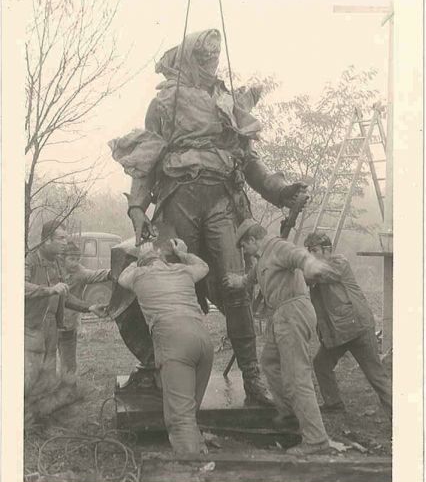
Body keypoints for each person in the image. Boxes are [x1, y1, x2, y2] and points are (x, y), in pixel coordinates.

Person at [109, 28, 308, 406]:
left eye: (215, 57)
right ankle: (167, 371)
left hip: (220, 203)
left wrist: (280, 190)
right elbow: (147, 158)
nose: (211, 63)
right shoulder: (165, 103)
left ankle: (252, 378)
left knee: (236, 289)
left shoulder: (226, 102)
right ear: (187, 58)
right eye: (203, 57)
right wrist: (137, 208)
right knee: (174, 288)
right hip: (178, 200)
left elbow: (248, 159)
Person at [224, 219, 340, 456]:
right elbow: (249, 279)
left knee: (296, 376)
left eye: (244, 247)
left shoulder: (278, 247)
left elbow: (300, 256)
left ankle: (316, 440)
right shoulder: (262, 258)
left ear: (252, 241)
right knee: (270, 362)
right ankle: (289, 415)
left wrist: (311, 264)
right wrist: (237, 281)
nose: (244, 252)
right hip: (280, 316)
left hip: (293, 311)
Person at [118, 239, 214, 455]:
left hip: (175, 341)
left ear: (143, 262)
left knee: (180, 420)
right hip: (202, 340)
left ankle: (191, 472)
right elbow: (204, 267)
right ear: (162, 256)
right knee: (191, 409)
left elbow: (122, 277)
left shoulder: (138, 275)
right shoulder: (182, 270)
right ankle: (199, 454)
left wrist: (136, 258)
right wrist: (184, 253)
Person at [303, 232, 392, 420]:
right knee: (321, 363)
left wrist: (299, 265)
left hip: (358, 328)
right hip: (339, 332)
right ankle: (333, 404)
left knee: (375, 375)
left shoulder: (338, 263)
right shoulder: (315, 272)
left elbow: (318, 274)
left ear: (327, 250)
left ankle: (399, 417)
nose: (311, 255)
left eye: (315, 250)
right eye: (308, 251)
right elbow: (308, 278)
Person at [25, 221, 105, 424]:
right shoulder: (30, 259)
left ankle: (44, 421)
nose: (64, 243)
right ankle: (24, 426)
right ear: (46, 239)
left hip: (52, 326)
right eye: (60, 238)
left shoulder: (57, 264)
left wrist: (89, 307)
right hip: (31, 327)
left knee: (48, 375)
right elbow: (18, 285)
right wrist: (48, 290)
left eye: (66, 239)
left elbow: (64, 296)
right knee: (30, 376)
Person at [59, 240, 111, 376]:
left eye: (77, 259)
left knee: (68, 362)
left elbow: (94, 275)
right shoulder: (55, 270)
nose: (75, 263)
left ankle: (69, 390)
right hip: (50, 323)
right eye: (71, 259)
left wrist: (112, 273)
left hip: (68, 324)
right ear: (62, 258)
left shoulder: (80, 272)